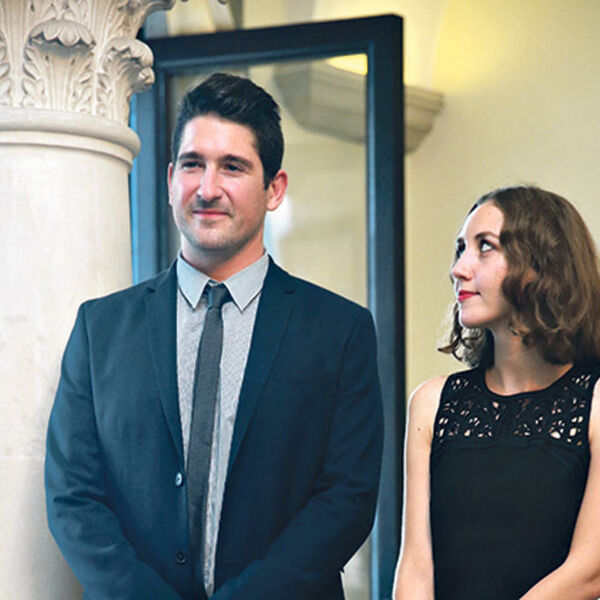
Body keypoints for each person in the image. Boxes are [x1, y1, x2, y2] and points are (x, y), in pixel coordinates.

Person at [45, 72, 383, 600]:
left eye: (232, 167)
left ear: (275, 189)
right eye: (192, 164)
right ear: (169, 180)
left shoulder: (339, 331)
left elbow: (347, 498)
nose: (207, 188)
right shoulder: (101, 329)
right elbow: (73, 497)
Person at [393, 186, 600, 600]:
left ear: (540, 265)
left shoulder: (596, 402)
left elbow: (590, 570)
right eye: (460, 249)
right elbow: (415, 566)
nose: (458, 268)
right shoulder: (431, 403)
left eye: (484, 246)